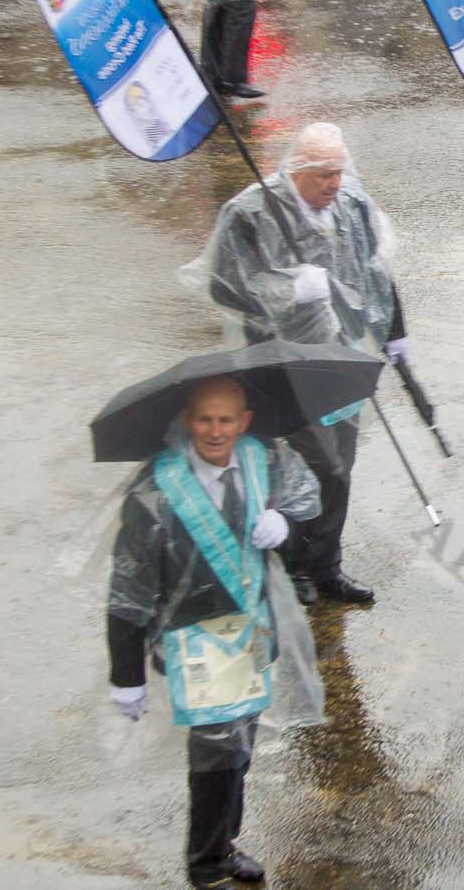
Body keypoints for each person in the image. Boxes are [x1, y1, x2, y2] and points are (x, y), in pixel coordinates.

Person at [105, 375, 324, 889]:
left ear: (244, 421)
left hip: (252, 631)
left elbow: (312, 516)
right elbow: (128, 589)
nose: (215, 430)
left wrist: (286, 524)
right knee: (214, 756)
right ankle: (205, 865)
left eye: (226, 419)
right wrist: (126, 673)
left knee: (238, 747)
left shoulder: (265, 460)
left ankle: (223, 844)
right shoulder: (155, 489)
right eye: (205, 418)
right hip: (192, 640)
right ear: (187, 419)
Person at [184, 122, 409, 609]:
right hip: (280, 365)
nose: (333, 183)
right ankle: (293, 561)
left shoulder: (351, 206)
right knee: (314, 465)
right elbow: (224, 286)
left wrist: (395, 332)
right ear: (298, 171)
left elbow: (375, 271)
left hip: (341, 360)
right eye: (324, 175)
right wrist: (288, 289)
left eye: (339, 172)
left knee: (340, 469)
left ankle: (326, 566)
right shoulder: (249, 213)